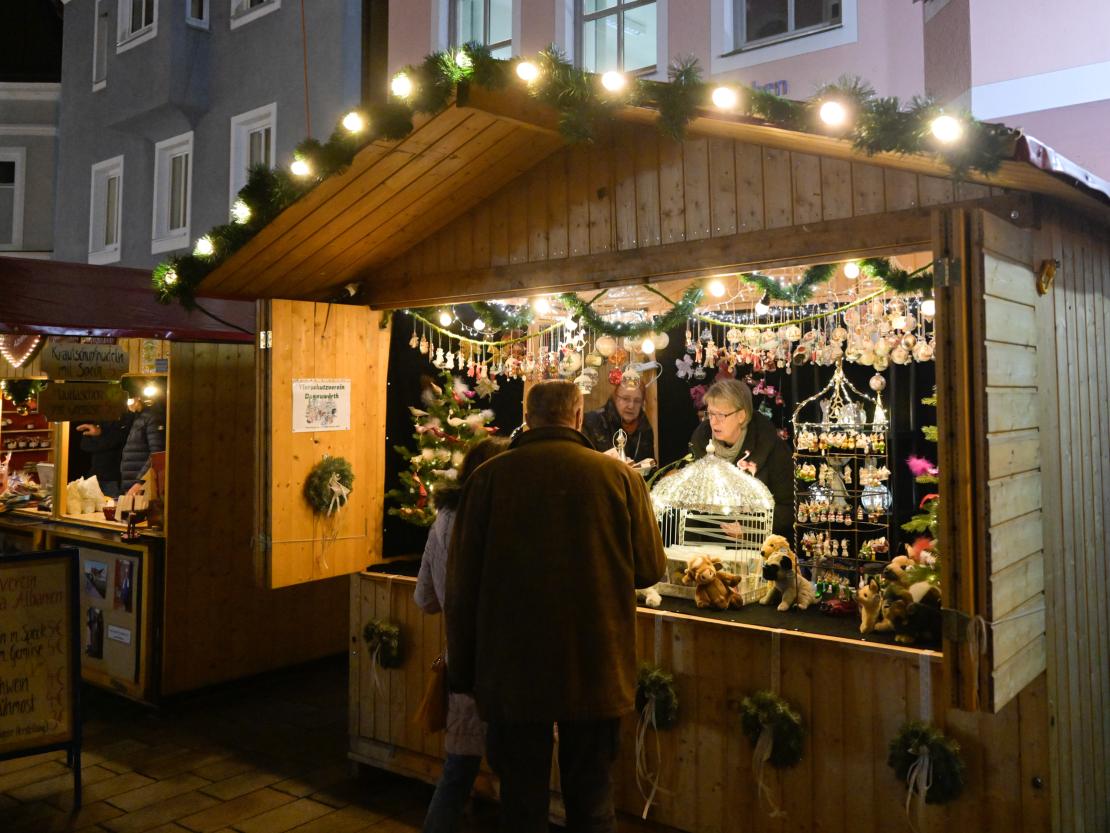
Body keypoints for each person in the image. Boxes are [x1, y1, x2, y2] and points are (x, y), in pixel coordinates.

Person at [446, 380, 666, 833]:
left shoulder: (487, 479)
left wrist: (463, 672)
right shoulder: (620, 479)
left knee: (520, 803)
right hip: (595, 666)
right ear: (578, 416)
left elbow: (461, 587)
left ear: (528, 418)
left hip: (512, 669)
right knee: (592, 799)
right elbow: (649, 569)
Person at [414, 436, 509, 833]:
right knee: (517, 775)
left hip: (462, 663)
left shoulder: (443, 519)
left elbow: (425, 599)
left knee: (457, 772)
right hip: (504, 664)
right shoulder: (501, 522)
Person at [688, 377, 793, 536]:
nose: (713, 422)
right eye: (710, 414)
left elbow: (789, 508)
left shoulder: (773, 449)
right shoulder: (699, 445)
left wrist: (750, 528)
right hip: (708, 543)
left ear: (741, 416)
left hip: (757, 546)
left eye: (721, 415)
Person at [581, 381, 655, 464]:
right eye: (625, 399)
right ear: (615, 397)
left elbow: (651, 466)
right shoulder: (592, 422)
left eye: (637, 401)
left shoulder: (645, 427)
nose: (631, 406)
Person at [120, 394, 166, 496]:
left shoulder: (152, 418)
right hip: (131, 485)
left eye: (129, 400)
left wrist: (140, 482)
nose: (127, 404)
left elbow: (156, 454)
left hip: (141, 487)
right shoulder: (136, 418)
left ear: (138, 398)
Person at [74, 418, 130, 498]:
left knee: (112, 504)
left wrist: (99, 434)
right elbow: (84, 445)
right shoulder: (98, 419)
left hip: (114, 478)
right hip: (94, 477)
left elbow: (120, 439)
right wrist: (102, 436)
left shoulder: (124, 419)